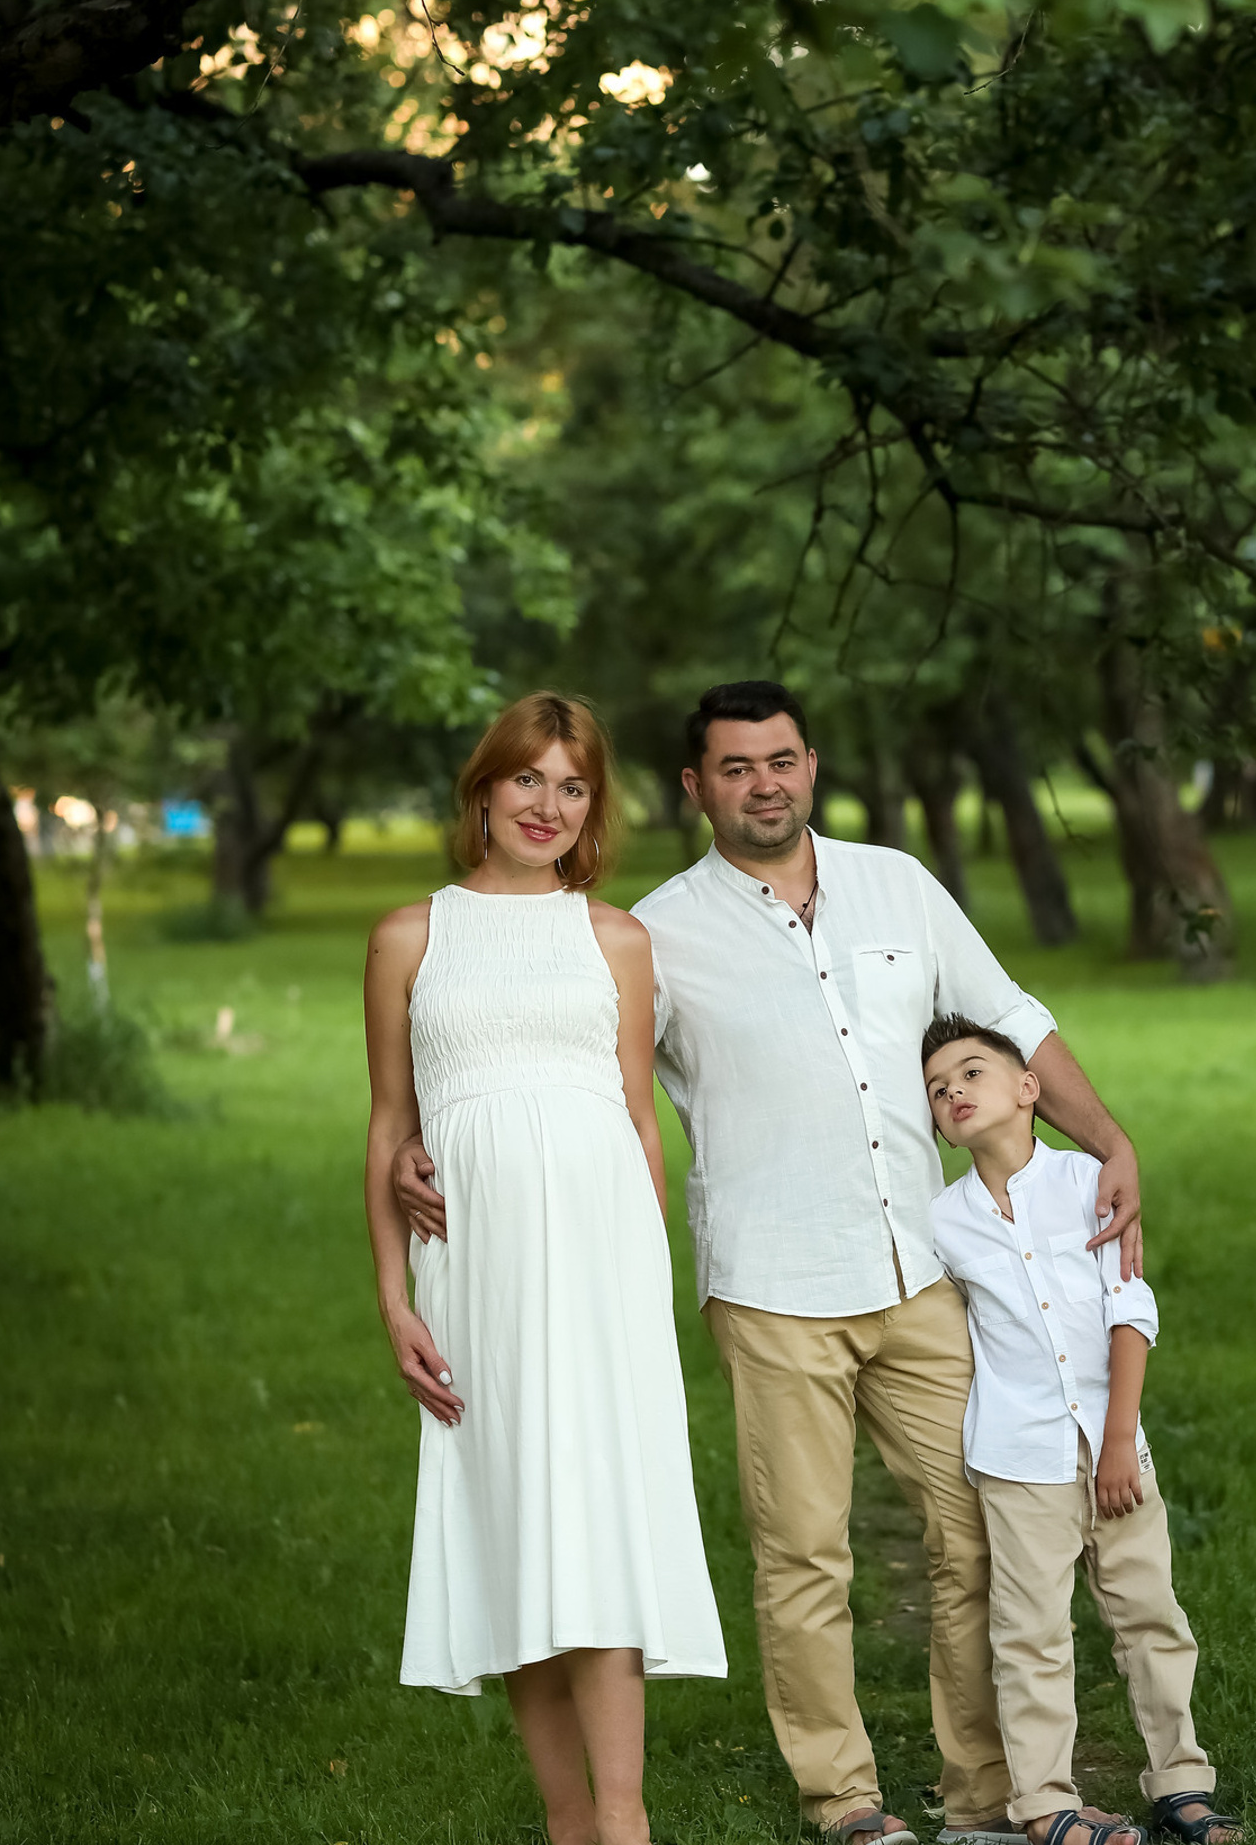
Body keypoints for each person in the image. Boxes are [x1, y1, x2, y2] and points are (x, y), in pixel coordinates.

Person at [395, 680, 1145, 1845]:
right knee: (806, 1560)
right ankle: (844, 1800)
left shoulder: (900, 883)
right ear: (696, 788)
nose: (765, 783)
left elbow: (1010, 1010)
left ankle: (990, 1799)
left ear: (811, 763)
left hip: (921, 1269)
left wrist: (1107, 1140)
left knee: (982, 1533)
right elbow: (584, 1088)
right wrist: (420, 1153)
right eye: (736, 767)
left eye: (782, 759)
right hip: (770, 1282)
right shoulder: (655, 932)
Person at [363, 691, 725, 1845]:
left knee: (604, 1520)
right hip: (474, 1269)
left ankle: (624, 1822)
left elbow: (637, 1113)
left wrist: (653, 1285)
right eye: (530, 779)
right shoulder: (409, 937)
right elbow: (388, 1126)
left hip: (602, 1261)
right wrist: (391, 1297)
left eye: (573, 787)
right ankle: (568, 1820)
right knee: (515, 1515)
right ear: (484, 787)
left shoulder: (616, 938)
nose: (549, 805)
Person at [920, 1015, 1241, 1845]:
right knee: (1030, 1634)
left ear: (1029, 1090)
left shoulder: (1088, 1183)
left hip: (1113, 1443)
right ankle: (1046, 1804)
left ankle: (1180, 1781)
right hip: (1018, 1457)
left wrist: (1117, 1438)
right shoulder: (942, 1224)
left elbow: (1129, 1309)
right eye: (937, 1087)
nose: (954, 1091)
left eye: (971, 1073)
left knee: (1149, 1615)